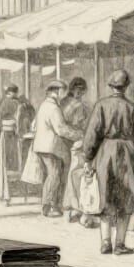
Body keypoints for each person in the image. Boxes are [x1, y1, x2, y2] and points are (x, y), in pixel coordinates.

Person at [81, 69, 134, 255]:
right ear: (126, 87)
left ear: (111, 86)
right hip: (128, 155)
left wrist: (88, 158)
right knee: (125, 198)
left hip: (105, 153)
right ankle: (119, 244)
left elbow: (92, 134)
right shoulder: (133, 108)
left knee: (106, 196)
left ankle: (105, 242)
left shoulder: (101, 105)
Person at [29, 79, 82, 218]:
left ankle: (51, 206)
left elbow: (33, 125)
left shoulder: (44, 105)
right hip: (49, 147)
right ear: (57, 91)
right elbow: (61, 129)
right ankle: (48, 207)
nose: (64, 94)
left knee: (53, 175)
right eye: (63, 91)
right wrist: (80, 135)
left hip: (42, 145)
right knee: (54, 175)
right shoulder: (53, 108)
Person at [60, 77, 93, 223]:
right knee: (74, 174)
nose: (79, 93)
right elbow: (80, 125)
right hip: (74, 141)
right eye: (77, 90)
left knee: (69, 175)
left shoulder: (63, 102)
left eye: (81, 90)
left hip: (64, 141)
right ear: (72, 89)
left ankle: (71, 208)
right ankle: (75, 207)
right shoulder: (78, 105)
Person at [0, 83, 35, 200]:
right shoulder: (17, 104)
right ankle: (18, 191)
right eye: (14, 92)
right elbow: (21, 121)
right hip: (13, 137)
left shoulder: (2, 103)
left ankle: (9, 191)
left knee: (9, 163)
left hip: (8, 136)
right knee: (16, 163)